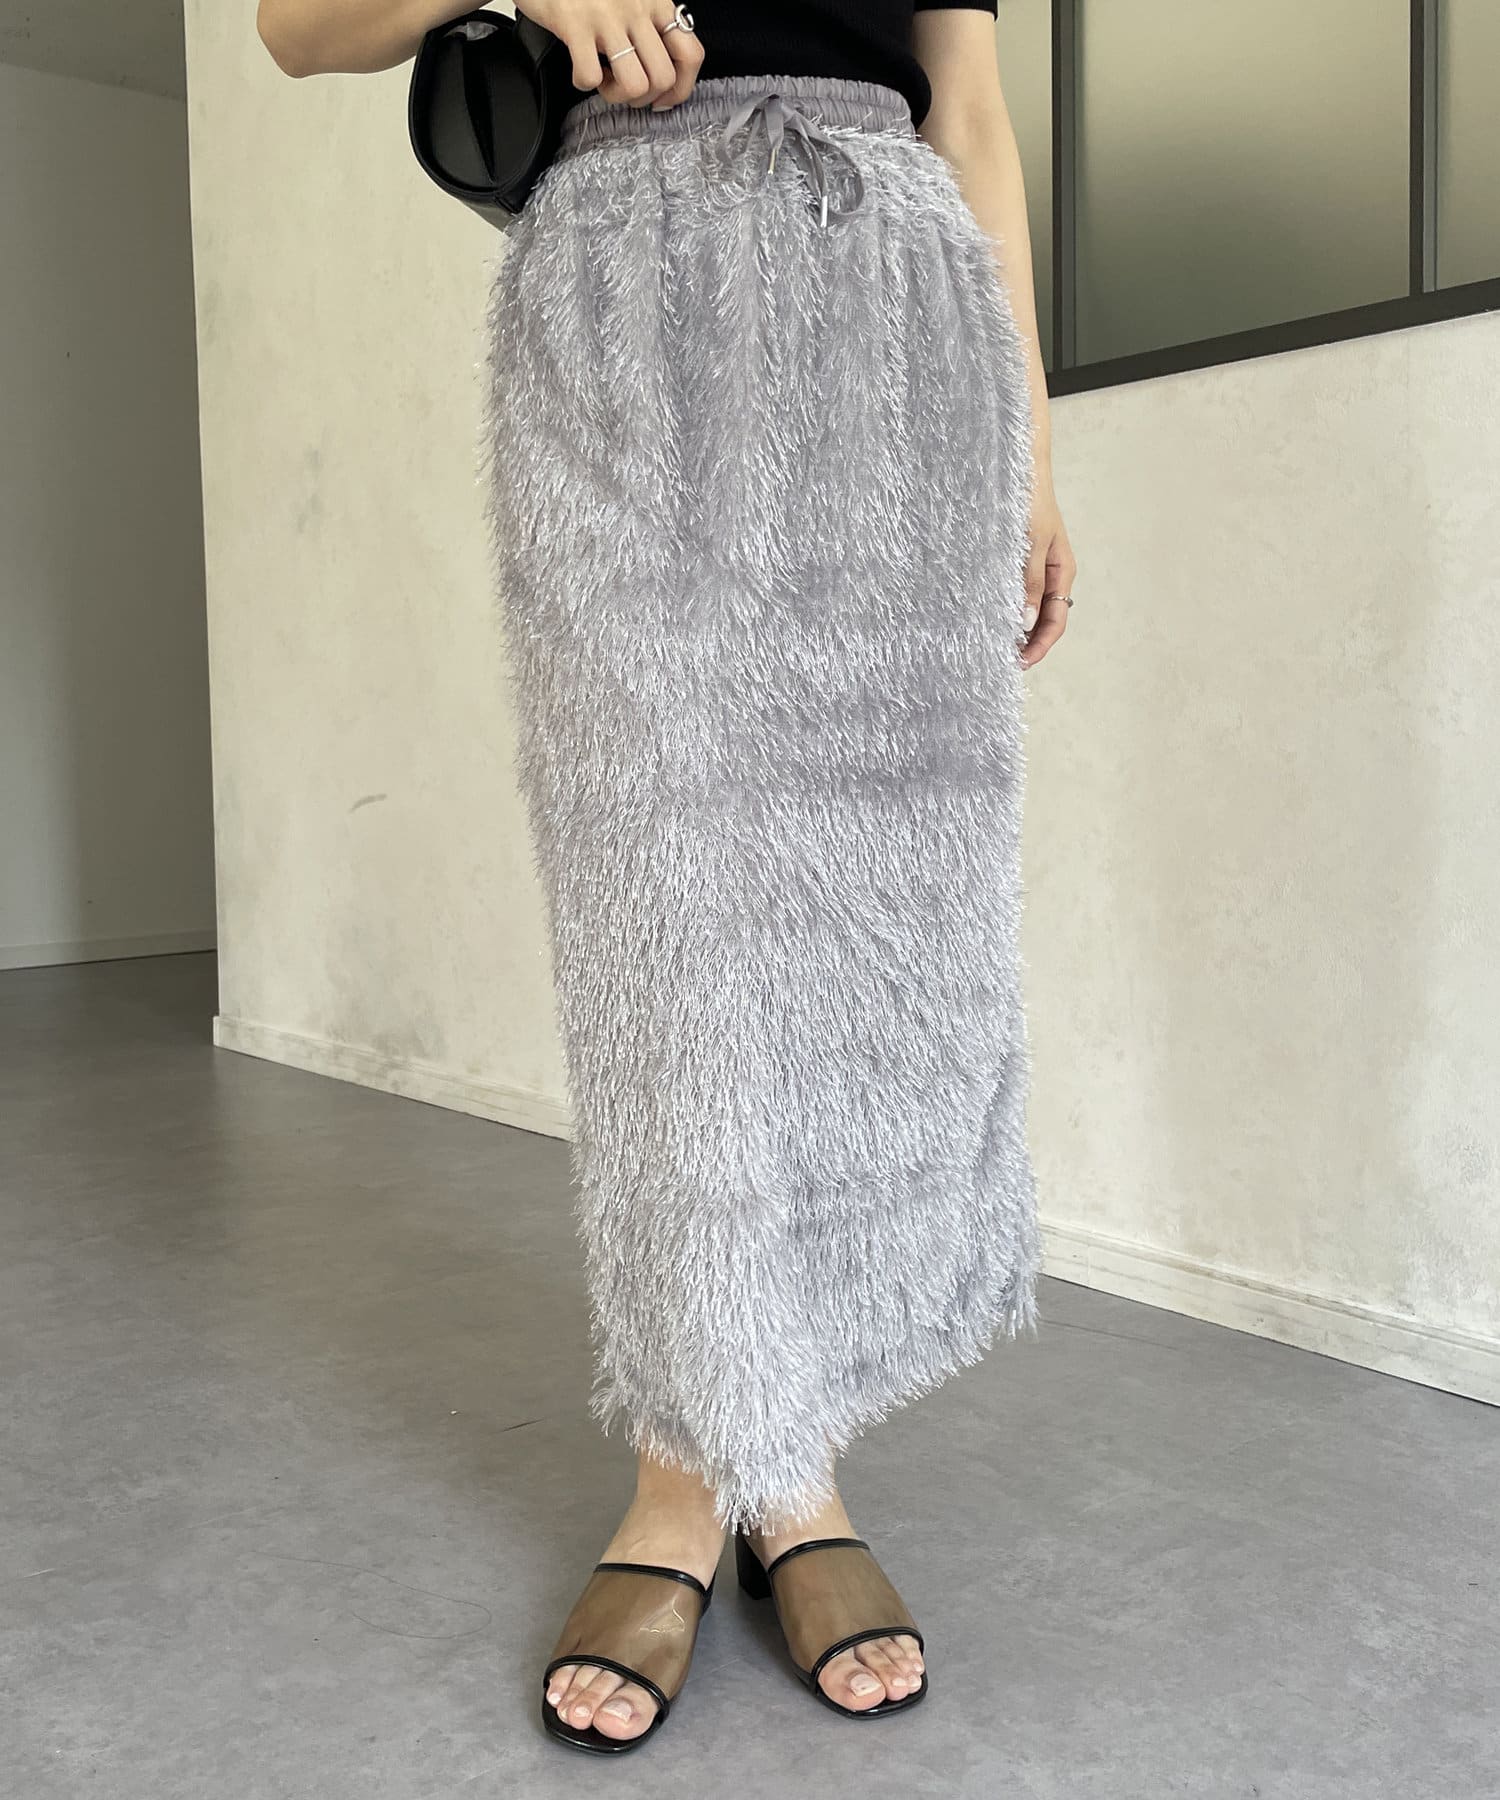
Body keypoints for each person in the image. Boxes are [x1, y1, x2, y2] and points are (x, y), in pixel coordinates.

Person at [257, 0, 1075, 1756]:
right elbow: (294, 28)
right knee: (663, 905)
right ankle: (684, 1478)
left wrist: (1032, 452)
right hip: (628, 282)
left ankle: (795, 1461)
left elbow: (974, 111)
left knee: (875, 908)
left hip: (897, 316)